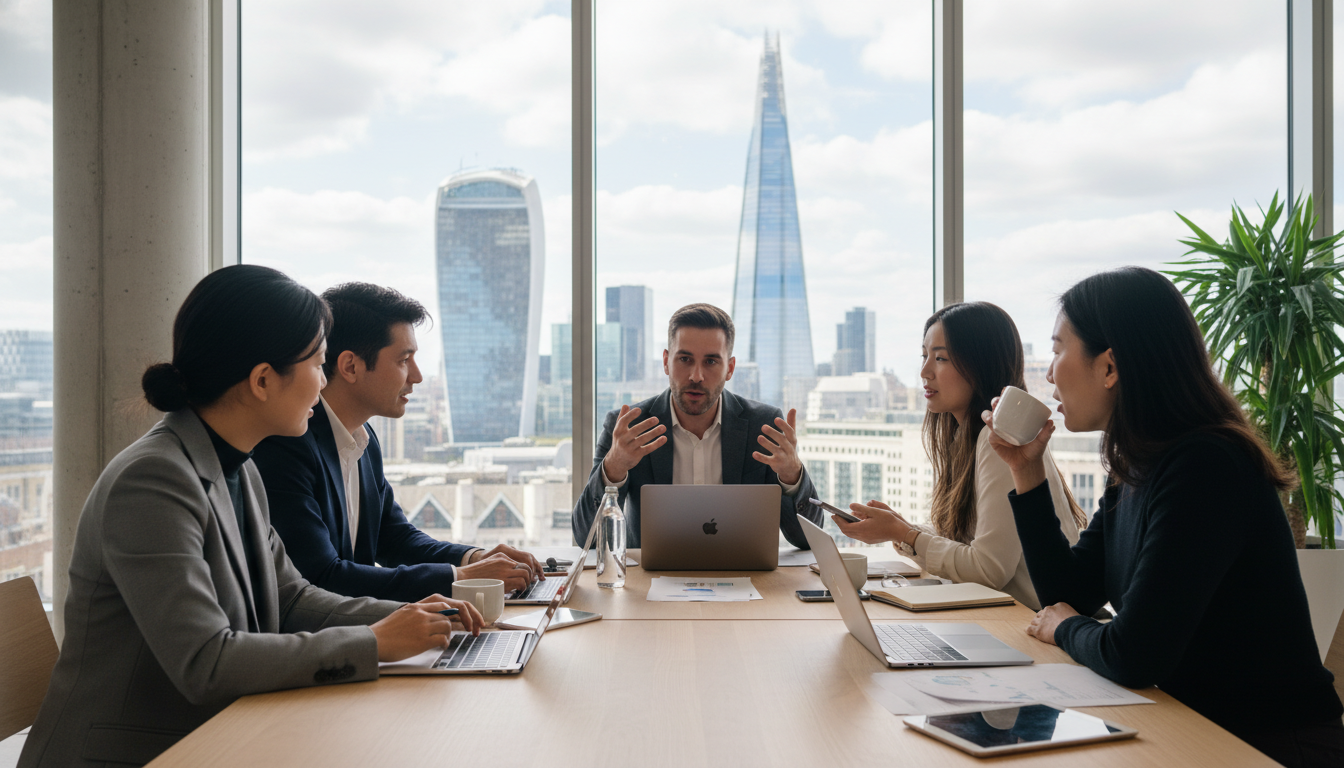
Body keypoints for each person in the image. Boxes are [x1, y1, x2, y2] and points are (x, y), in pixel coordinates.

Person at [18, 266, 483, 768]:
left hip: (221, 736)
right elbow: (206, 662)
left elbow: (290, 597)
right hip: (144, 754)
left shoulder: (238, 466)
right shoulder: (151, 480)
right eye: (318, 366)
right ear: (263, 380)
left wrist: (418, 619)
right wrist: (374, 642)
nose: (325, 382)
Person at [984, 266, 1343, 767]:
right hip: (1193, 725)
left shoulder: (1205, 466)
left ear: (1109, 367)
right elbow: (1068, 593)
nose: (1048, 372)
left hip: (1270, 745)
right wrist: (1026, 472)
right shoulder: (1139, 465)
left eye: (1059, 348)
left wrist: (1065, 627)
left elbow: (1132, 654)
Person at [252, 283, 544, 602]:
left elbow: (394, 539)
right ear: (350, 366)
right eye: (404, 360)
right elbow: (321, 577)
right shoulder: (287, 444)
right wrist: (459, 578)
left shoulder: (363, 439)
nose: (417, 376)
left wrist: (474, 558)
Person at [830, 302, 1085, 611]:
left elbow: (989, 569)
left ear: (981, 364)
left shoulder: (1000, 442)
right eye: (924, 357)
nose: (924, 372)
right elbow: (967, 544)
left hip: (1031, 625)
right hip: (1008, 619)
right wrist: (900, 527)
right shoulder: (965, 437)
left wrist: (904, 533)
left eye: (940, 358)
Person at [572, 303, 823, 548]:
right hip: (649, 584)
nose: (696, 376)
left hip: (747, 581)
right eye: (685, 359)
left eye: (711, 362)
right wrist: (614, 468)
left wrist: (792, 476)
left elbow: (808, 540)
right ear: (666, 362)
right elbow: (587, 539)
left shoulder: (764, 426)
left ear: (730, 368)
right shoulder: (627, 427)